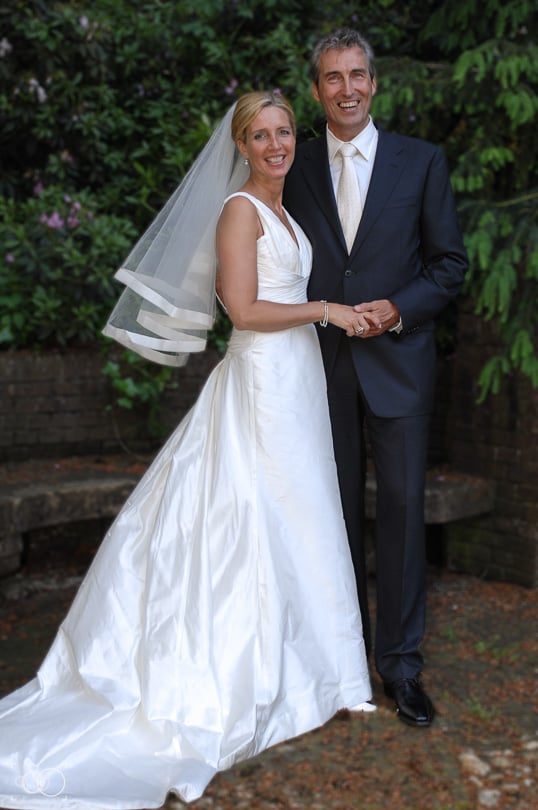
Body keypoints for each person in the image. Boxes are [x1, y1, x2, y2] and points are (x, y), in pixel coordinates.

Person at [0, 92, 373, 809]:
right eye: (259, 136)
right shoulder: (240, 210)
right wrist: (327, 310)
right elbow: (245, 308)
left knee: (303, 517)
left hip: (296, 382)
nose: (275, 145)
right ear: (239, 145)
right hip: (261, 384)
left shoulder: (288, 210)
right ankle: (255, 677)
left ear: (298, 137)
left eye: (284, 132)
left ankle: (327, 677)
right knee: (254, 523)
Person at [284, 28, 468, 727]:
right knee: (326, 518)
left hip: (400, 367)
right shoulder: (291, 165)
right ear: (316, 89)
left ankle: (401, 667)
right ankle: (338, 660)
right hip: (318, 369)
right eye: (334, 77)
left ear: (375, 83)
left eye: (358, 74)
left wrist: (397, 309)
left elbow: (448, 264)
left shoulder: (420, 162)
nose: (348, 88)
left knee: (398, 516)